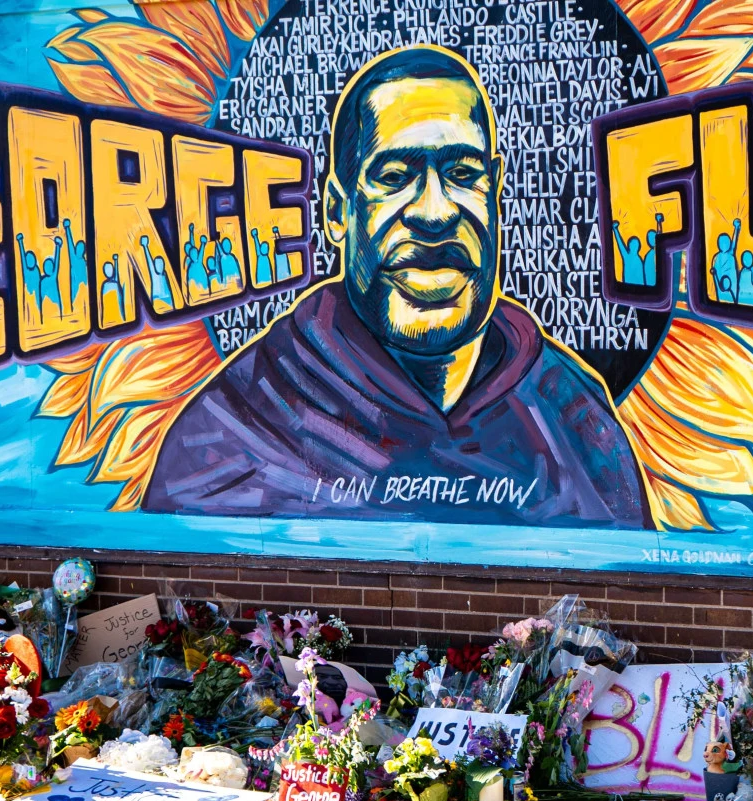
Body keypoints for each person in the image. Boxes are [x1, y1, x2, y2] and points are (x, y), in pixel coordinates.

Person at [143, 46, 650, 528]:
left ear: (496, 195)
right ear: (339, 212)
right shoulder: (236, 427)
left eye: (462, 173)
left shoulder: (573, 418)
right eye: (393, 175)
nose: (435, 212)